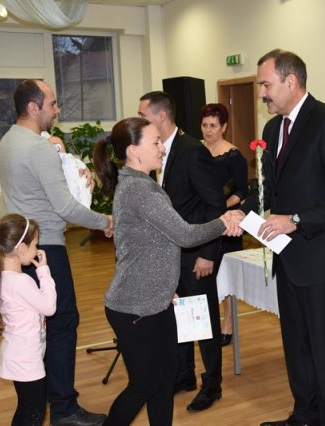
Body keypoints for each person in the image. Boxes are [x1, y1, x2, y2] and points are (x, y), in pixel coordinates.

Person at [239, 49, 325, 426]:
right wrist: (241, 210)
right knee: (296, 345)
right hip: (287, 256)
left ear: (290, 81)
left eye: (266, 84)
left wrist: (295, 220)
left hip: (320, 256)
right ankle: (305, 415)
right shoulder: (271, 129)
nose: (261, 93)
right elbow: (269, 190)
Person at [92, 117, 241, 426]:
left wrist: (165, 283)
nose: (162, 147)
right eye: (156, 142)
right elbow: (184, 235)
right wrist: (223, 222)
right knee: (144, 385)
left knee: (163, 380)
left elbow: (156, 243)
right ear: (134, 151)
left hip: (155, 301)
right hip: (134, 307)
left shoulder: (142, 184)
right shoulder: (138, 189)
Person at [0, 79, 112, 426]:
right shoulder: (37, 148)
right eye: (52, 104)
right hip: (45, 247)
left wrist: (74, 169)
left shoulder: (9, 141)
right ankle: (63, 408)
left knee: (39, 326)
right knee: (62, 322)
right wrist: (106, 221)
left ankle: (42, 398)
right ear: (33, 107)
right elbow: (65, 207)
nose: (57, 110)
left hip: (22, 249)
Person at [138, 91, 227, 412]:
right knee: (179, 316)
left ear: (161, 116)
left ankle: (212, 383)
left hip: (195, 253)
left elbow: (215, 204)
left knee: (204, 321)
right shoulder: (155, 150)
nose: (139, 120)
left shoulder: (192, 150)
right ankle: (184, 374)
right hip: (169, 253)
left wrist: (208, 253)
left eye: (143, 115)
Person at [0, 214, 56, 426]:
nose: (37, 249)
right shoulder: (21, 282)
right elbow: (49, 307)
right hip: (26, 360)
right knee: (34, 413)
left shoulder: (1, 277)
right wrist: (44, 272)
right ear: (22, 248)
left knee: (26, 409)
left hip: (17, 354)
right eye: (35, 244)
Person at [200, 103, 248, 346]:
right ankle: (203, 324)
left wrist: (221, 207)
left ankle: (227, 324)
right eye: (204, 125)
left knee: (225, 274)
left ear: (224, 127)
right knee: (201, 276)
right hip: (201, 222)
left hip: (227, 223)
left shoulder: (233, 155)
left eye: (213, 126)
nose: (208, 130)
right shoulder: (197, 151)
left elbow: (242, 190)